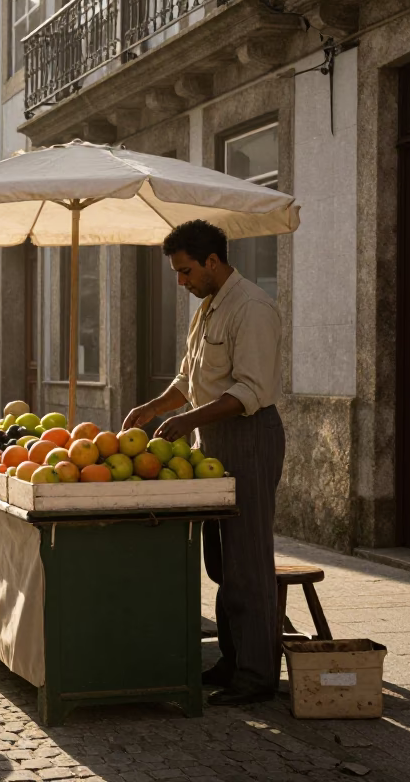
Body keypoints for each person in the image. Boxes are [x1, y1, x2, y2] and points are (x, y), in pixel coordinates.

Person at [123, 219, 284, 707]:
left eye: (186, 271)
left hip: (247, 437)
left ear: (213, 261)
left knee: (248, 561)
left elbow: (250, 390)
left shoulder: (252, 307)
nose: (181, 282)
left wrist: (187, 417)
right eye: (177, 272)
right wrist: (154, 408)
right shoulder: (208, 307)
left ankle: (257, 677)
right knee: (221, 562)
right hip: (208, 442)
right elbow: (189, 378)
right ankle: (233, 662)